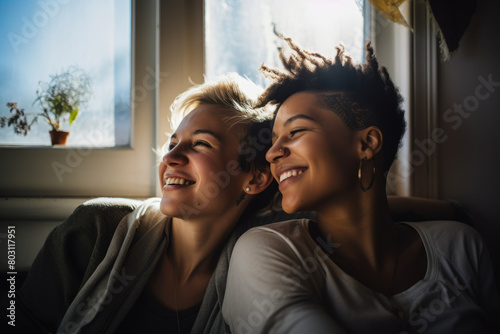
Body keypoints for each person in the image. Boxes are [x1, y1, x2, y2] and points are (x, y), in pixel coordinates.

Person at [222, 37, 500, 333]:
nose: (272, 153)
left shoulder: (461, 246)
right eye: (274, 139)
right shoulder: (267, 250)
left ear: (367, 143)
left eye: (296, 131)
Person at [16, 73, 276, 334]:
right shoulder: (94, 230)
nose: (171, 157)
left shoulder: (265, 273)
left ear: (255, 178)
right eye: (172, 143)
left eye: (200, 143)